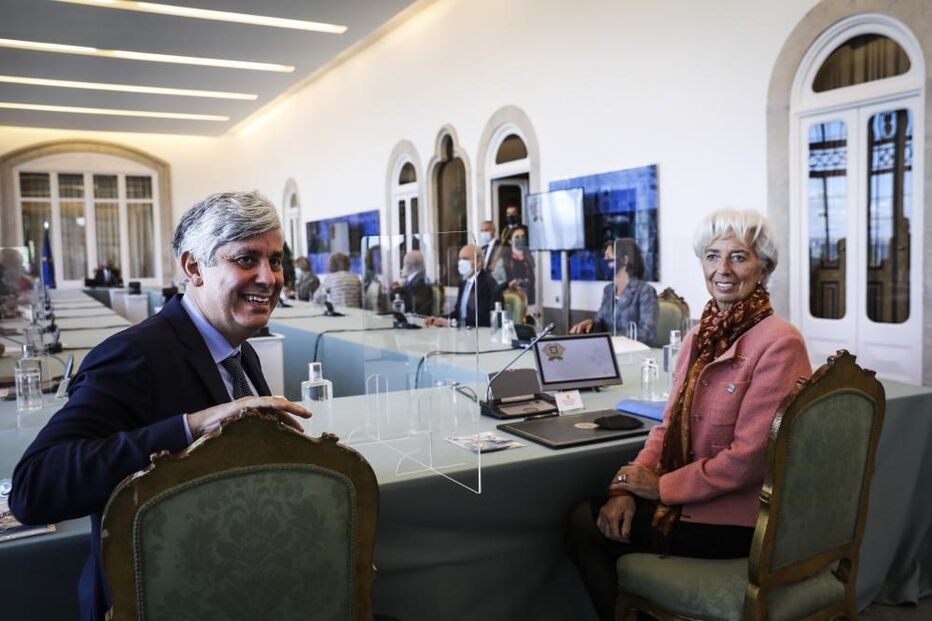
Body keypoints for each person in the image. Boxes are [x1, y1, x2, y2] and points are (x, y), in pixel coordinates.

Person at [9, 191, 311, 621]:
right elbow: (34, 488)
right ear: (193, 268)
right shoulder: (134, 354)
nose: (269, 278)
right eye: (246, 260)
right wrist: (190, 427)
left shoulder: (240, 352)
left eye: (276, 260)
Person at [567, 209, 812, 621]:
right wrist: (626, 486)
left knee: (580, 523)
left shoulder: (780, 342)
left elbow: (748, 462)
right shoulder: (701, 334)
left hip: (742, 520)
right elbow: (667, 425)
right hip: (691, 500)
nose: (723, 269)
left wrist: (659, 488)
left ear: (764, 267)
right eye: (713, 256)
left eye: (739, 257)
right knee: (601, 512)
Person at [570, 238, 658, 344]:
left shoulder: (645, 291)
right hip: (610, 349)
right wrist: (591, 324)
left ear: (624, 260)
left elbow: (647, 333)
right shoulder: (608, 290)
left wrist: (610, 337)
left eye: (608, 257)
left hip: (634, 353)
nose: (604, 261)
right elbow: (601, 321)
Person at [425, 244, 503, 328]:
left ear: (478, 262)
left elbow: (482, 318)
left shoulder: (488, 283)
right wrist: (439, 319)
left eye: (465, 259)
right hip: (463, 332)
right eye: (460, 259)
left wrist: (452, 323)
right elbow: (459, 313)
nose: (461, 262)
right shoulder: (464, 283)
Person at [390, 250, 433, 315]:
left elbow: (411, 305)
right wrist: (397, 289)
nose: (403, 268)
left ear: (409, 266)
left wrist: (396, 291)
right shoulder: (415, 280)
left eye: (404, 264)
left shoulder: (421, 283)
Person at [502, 225, 536, 305]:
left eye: (522, 236)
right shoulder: (504, 259)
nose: (520, 239)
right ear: (510, 241)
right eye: (517, 237)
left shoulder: (531, 258)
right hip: (511, 301)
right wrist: (509, 284)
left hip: (529, 300)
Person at [479, 219, 507, 286]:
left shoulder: (501, 247)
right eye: (481, 230)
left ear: (493, 231)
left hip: (497, 284)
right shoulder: (482, 249)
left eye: (486, 230)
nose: (483, 233)